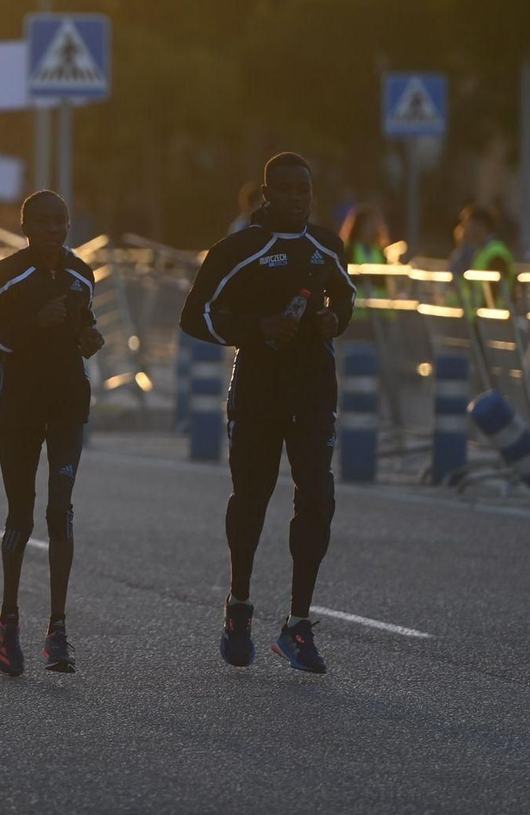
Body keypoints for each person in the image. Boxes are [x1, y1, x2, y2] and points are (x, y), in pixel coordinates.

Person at [180, 153, 354, 675]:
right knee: (252, 499)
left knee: (317, 499)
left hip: (313, 392)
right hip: (257, 391)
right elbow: (196, 315)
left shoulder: (328, 245)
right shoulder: (239, 250)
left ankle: (298, 625)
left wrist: (331, 321)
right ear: (267, 195)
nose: (298, 198)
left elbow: (346, 297)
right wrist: (259, 329)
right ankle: (238, 607)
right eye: (287, 190)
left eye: (305, 188)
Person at [0, 190, 105, 676]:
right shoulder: (4, 276)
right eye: (44, 221)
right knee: (21, 517)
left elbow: (83, 328)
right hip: (20, 407)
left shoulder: (82, 275)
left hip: (68, 404)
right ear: (26, 228)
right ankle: (8, 622)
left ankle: (59, 631)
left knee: (60, 509)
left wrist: (89, 340)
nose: (54, 229)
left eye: (61, 220)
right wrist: (32, 323)